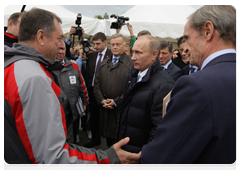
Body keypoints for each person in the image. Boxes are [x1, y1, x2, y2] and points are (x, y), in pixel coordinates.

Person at [4, 8, 141, 170]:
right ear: (41, 37)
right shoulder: (34, 78)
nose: (62, 45)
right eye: (59, 38)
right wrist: (108, 159)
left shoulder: (11, 65)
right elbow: (53, 158)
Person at [141, 5, 238, 170]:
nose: (185, 47)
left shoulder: (196, 85)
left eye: (187, 37)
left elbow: (160, 161)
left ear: (208, 31)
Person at [117, 35, 174, 169]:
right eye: (132, 52)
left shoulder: (164, 85)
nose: (132, 57)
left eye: (138, 53)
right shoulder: (133, 75)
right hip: (127, 148)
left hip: (140, 158)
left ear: (154, 55)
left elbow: (159, 128)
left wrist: (145, 157)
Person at [93, 33, 133, 148]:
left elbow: (131, 89)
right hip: (105, 110)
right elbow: (96, 84)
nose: (115, 47)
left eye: (118, 44)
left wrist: (116, 101)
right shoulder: (104, 63)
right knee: (108, 141)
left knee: (120, 141)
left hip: (121, 112)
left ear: (125, 46)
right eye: (113, 44)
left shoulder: (130, 64)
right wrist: (101, 100)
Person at [54, 43, 89, 144]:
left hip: (73, 109)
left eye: (63, 49)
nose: (60, 52)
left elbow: (82, 85)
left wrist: (85, 102)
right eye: (58, 49)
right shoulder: (48, 66)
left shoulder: (74, 65)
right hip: (57, 111)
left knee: (72, 136)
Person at [84, 32, 112, 148]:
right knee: (94, 116)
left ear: (105, 42)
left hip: (106, 92)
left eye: (98, 44)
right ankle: (96, 139)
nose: (95, 46)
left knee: (107, 117)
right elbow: (89, 74)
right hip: (92, 91)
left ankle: (109, 140)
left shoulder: (111, 55)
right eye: (94, 44)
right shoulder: (92, 56)